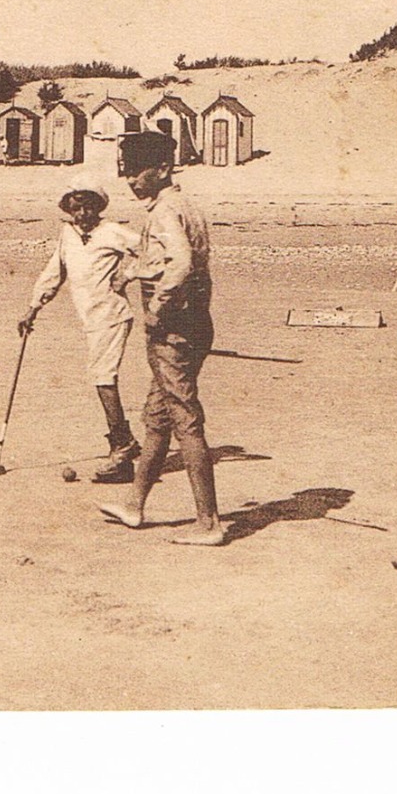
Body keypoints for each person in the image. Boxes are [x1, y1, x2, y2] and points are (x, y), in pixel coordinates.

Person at [99, 132, 225, 545]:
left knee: (185, 420)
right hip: (193, 323)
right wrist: (132, 270)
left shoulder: (165, 211)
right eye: (127, 171)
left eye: (138, 171)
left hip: (174, 330)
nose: (131, 180)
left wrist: (158, 309)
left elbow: (182, 264)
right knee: (158, 418)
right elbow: (166, 259)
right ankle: (135, 504)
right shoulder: (182, 205)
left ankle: (209, 524)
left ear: (164, 169)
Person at [18, 176, 142, 482]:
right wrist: (33, 308)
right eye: (76, 209)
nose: (83, 215)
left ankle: (123, 447)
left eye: (89, 208)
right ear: (68, 209)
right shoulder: (68, 234)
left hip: (112, 315)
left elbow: (152, 251)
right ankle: (124, 457)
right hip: (91, 320)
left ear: (99, 207)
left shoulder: (111, 231)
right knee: (101, 377)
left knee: (103, 378)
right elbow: (54, 272)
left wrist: (127, 275)